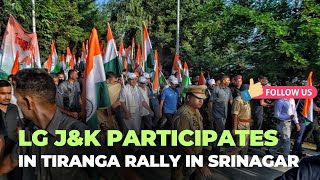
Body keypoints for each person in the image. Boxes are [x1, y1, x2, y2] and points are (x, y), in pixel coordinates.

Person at [0, 69, 138, 179]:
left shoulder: (77, 133)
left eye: (17, 99)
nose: (16, 103)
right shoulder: (30, 131)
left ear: (29, 102)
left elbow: (119, 172)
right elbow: (12, 160)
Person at [172, 85, 212, 179]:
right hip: (184, 158)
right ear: (188, 98)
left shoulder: (196, 111)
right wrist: (200, 165)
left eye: (202, 99)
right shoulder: (184, 115)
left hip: (194, 156)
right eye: (198, 98)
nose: (201, 101)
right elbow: (184, 143)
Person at [0, 80, 22, 180]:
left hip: (14, 155)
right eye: (3, 93)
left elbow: (19, 128)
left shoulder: (14, 108)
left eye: (9, 93)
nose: (7, 97)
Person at [208, 75, 233, 152]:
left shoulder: (228, 89)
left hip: (225, 114)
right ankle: (216, 148)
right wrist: (210, 115)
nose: (229, 82)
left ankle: (215, 147)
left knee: (219, 131)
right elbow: (210, 103)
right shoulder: (216, 89)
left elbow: (231, 100)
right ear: (223, 81)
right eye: (228, 80)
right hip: (217, 114)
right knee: (221, 130)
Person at [228, 84, 251, 155]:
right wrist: (234, 128)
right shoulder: (238, 100)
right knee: (241, 144)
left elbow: (248, 111)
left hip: (247, 123)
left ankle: (243, 159)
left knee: (246, 144)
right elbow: (235, 115)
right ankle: (228, 154)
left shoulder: (246, 99)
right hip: (240, 124)